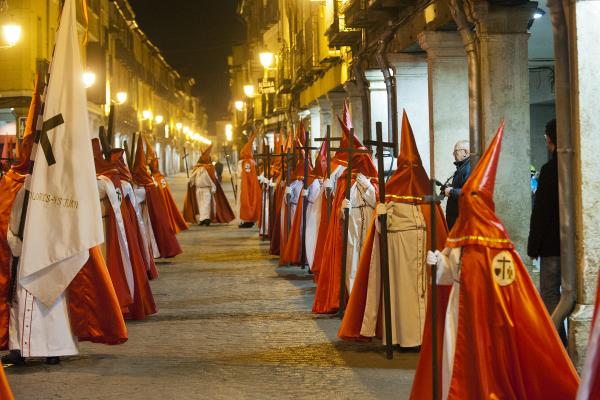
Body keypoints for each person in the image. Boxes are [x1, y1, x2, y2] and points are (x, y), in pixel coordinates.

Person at [411, 122, 578, 400]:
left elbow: (509, 288)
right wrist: (439, 261)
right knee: (456, 360)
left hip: (489, 319)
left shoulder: (499, 247)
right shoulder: (459, 238)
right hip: (459, 312)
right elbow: (449, 273)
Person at [338, 111, 448, 350]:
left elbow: (437, 227)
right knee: (400, 296)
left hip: (420, 254)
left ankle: (422, 337)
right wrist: (381, 217)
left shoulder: (425, 193)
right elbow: (380, 228)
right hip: (398, 254)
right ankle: (401, 337)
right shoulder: (392, 189)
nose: (409, 170)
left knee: (419, 294)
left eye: (413, 165)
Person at [312, 107, 378, 314]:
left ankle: (366, 296)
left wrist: (366, 185)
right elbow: (334, 199)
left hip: (367, 218)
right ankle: (350, 296)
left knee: (368, 260)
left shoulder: (372, 179)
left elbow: (377, 199)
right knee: (351, 259)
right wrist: (341, 208)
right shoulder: (342, 178)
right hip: (350, 224)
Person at [527, 119, 565, 342]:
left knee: (550, 293)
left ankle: (557, 344)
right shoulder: (579, 165)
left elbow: (541, 212)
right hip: (575, 244)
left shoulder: (550, 170)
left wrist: (533, 245)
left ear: (550, 139)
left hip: (551, 245)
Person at [183, 145, 235, 226]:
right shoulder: (198, 168)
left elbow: (214, 179)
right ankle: (202, 219)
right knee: (200, 204)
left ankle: (206, 219)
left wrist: (213, 187)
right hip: (198, 189)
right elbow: (193, 177)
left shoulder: (210, 168)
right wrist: (190, 181)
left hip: (207, 189)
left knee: (206, 204)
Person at [443, 140, 471, 229]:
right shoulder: (463, 167)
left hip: (462, 220)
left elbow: (470, 192)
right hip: (457, 218)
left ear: (465, 152)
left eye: (456, 151)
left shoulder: (469, 167)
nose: (454, 154)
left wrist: (451, 191)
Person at [236, 133, 261, 228]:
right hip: (243, 184)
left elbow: (247, 176)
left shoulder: (247, 162)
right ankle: (246, 220)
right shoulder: (248, 161)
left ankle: (245, 220)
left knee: (245, 202)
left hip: (245, 185)